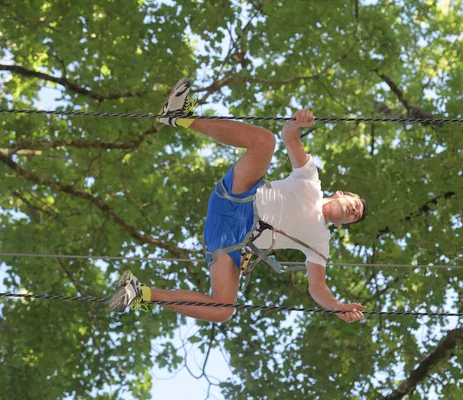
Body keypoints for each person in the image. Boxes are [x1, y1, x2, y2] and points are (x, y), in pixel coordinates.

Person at [108, 78, 368, 323]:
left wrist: (336, 306)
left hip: (233, 241)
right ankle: (181, 118)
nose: (356, 210)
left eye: (356, 216)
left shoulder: (320, 242)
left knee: (223, 310)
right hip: (239, 196)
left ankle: (139, 293)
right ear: (340, 194)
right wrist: (297, 123)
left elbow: (318, 287)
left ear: (343, 224)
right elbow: (289, 136)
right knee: (265, 141)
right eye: (357, 203)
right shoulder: (311, 179)